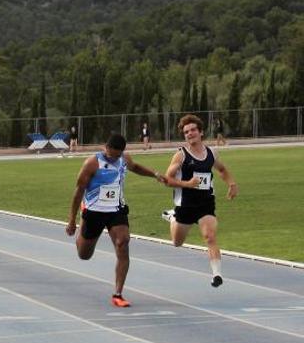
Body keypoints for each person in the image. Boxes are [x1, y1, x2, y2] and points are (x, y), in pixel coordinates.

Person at [66, 134, 166, 307]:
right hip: (94, 211)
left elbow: (135, 167)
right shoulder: (92, 163)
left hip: (116, 210)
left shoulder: (124, 158)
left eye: (118, 155)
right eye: (112, 155)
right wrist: (71, 220)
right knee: (84, 255)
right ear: (106, 147)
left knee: (123, 242)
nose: (115, 158)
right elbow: (78, 191)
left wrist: (155, 174)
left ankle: (118, 294)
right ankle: (83, 232)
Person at [163, 114, 237, 288]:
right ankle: (173, 217)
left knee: (209, 236)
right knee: (177, 243)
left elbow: (222, 169)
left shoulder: (211, 153)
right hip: (186, 205)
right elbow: (167, 179)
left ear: (201, 132)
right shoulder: (180, 155)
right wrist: (187, 184)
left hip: (206, 203)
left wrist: (232, 184)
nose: (190, 134)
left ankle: (217, 275)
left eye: (193, 130)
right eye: (186, 132)